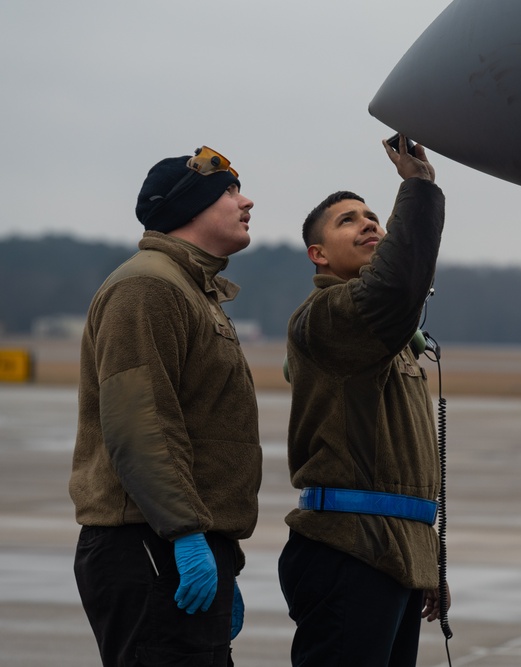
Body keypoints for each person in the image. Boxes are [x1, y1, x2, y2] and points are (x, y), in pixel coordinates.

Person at [70, 146, 263, 667]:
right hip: (152, 545)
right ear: (189, 208)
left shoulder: (189, 289)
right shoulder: (148, 287)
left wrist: (219, 552)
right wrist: (186, 536)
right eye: (228, 191)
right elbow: (140, 425)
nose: (247, 202)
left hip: (175, 542)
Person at [277, 134, 448, 667]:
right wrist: (416, 192)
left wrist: (428, 564)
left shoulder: (388, 341)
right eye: (348, 220)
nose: (369, 223)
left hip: (393, 553)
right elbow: (393, 291)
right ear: (319, 254)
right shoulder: (328, 317)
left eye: (373, 216)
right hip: (349, 551)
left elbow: (401, 472)